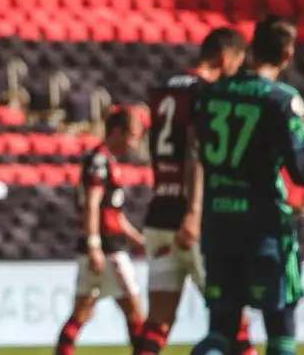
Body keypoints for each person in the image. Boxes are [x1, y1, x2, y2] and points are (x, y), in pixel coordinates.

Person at [190, 16, 304, 355]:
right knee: (280, 330)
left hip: (218, 222)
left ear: (251, 49)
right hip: (262, 225)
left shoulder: (212, 93)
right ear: (288, 54)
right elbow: (302, 170)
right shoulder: (280, 99)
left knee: (220, 331)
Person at [134, 27, 255, 355]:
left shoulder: (161, 91)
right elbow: (195, 151)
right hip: (194, 221)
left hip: (159, 214)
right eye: (238, 62)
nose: (237, 70)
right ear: (224, 57)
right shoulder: (207, 93)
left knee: (158, 322)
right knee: (234, 322)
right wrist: (194, 212)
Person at [55, 108, 147, 355]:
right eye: (133, 135)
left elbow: (112, 213)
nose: (135, 143)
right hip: (108, 250)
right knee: (136, 312)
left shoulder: (107, 161)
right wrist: (94, 244)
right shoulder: (99, 161)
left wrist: (136, 238)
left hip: (99, 246)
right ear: (117, 132)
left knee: (81, 312)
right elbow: (92, 204)